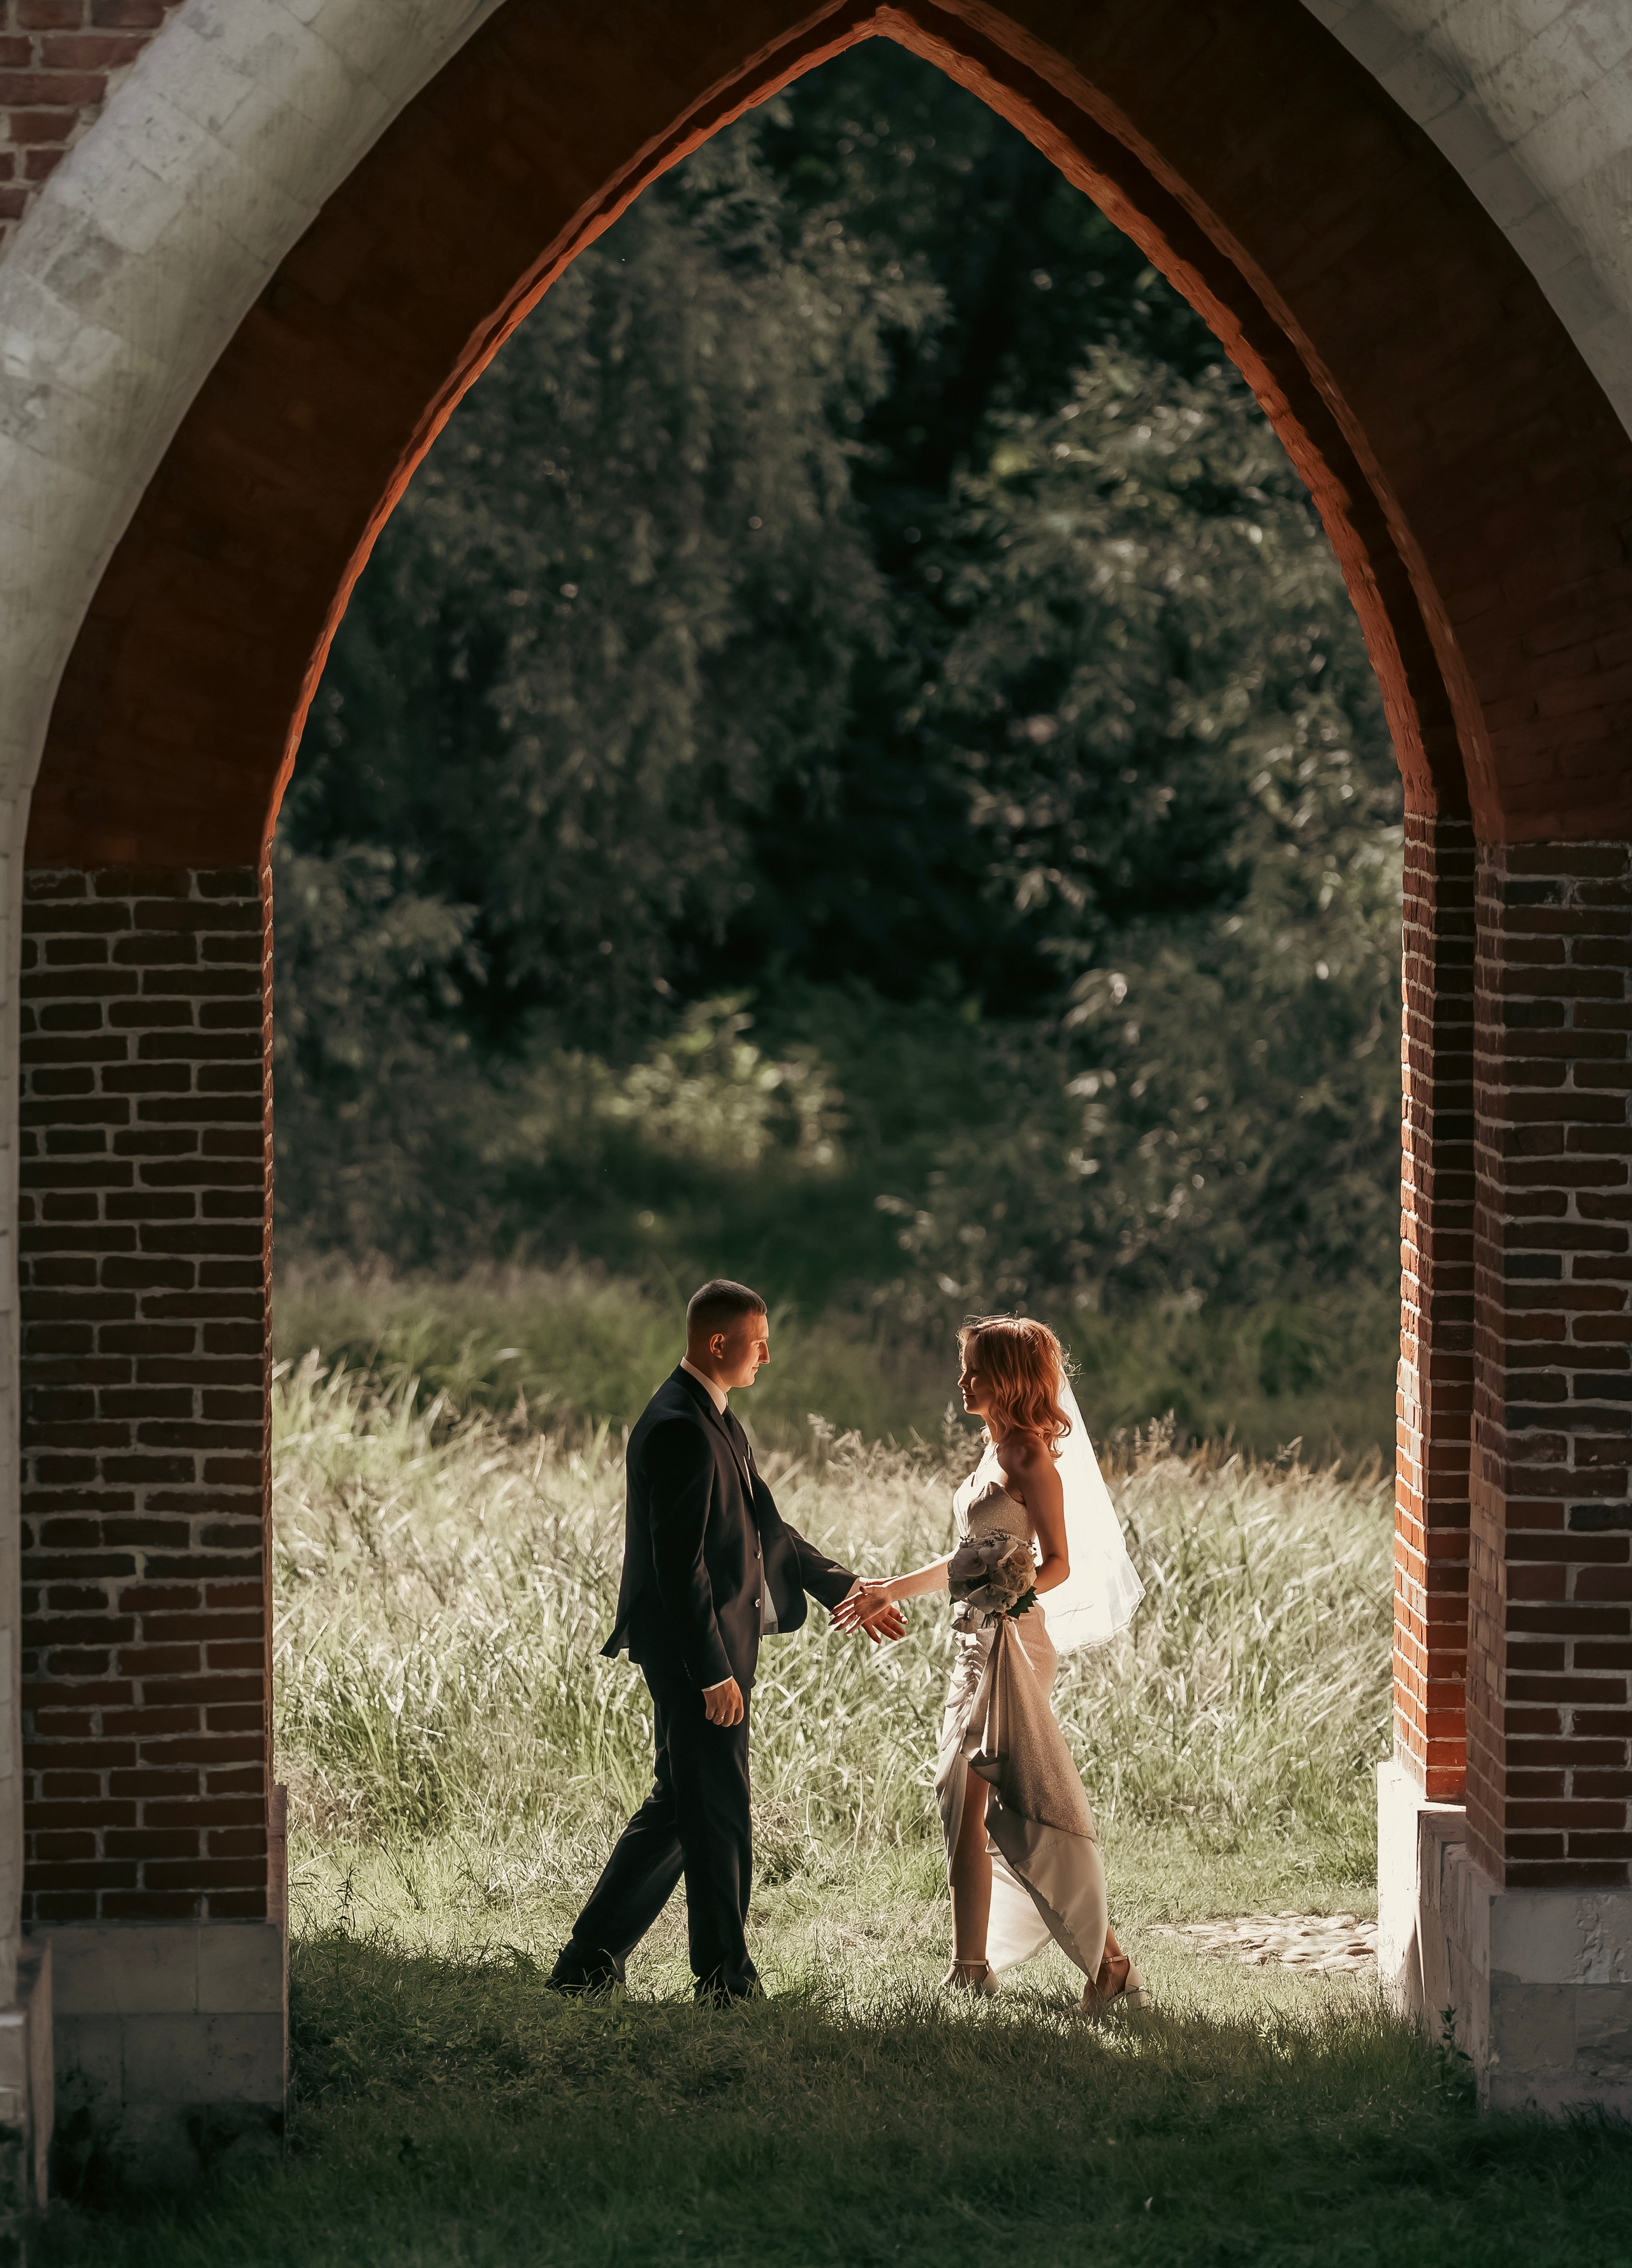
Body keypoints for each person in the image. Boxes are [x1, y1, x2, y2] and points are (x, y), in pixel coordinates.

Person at [549, 1278, 905, 2003]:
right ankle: (725, 1982)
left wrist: (843, 1586)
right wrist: (712, 1671)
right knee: (716, 1810)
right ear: (719, 1342)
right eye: (758, 1339)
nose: (766, 1354)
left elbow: (765, 1531)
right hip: (694, 1651)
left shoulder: (716, 1418)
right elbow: (679, 1569)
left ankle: (586, 1963)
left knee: (682, 1806)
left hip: (709, 1647)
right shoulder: (679, 1424)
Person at [834, 1315, 1147, 2008]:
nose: (961, 1380)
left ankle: (1084, 1964)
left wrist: (1009, 1595)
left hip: (1011, 1641)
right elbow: (969, 1557)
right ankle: (976, 1964)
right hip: (971, 1639)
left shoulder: (1030, 1457)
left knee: (1010, 1804)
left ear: (1005, 1376)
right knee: (961, 1798)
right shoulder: (993, 1448)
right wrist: (892, 1588)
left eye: (973, 1368)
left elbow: (1057, 1563)